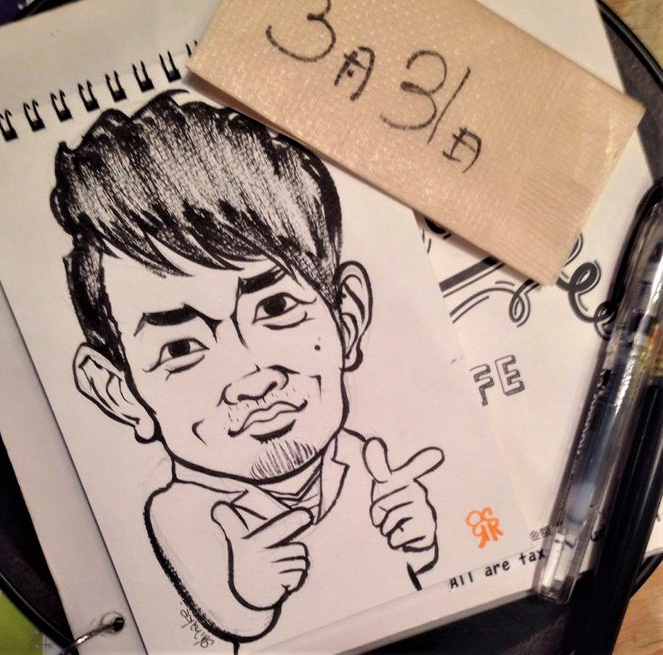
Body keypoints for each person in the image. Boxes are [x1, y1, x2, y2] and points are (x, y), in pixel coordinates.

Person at [50, 91, 444, 648]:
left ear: (347, 318)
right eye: (181, 347)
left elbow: (425, 576)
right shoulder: (185, 511)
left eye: (276, 307)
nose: (253, 377)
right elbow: (238, 621)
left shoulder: (363, 461)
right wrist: (249, 587)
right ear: (122, 393)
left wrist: (416, 532)